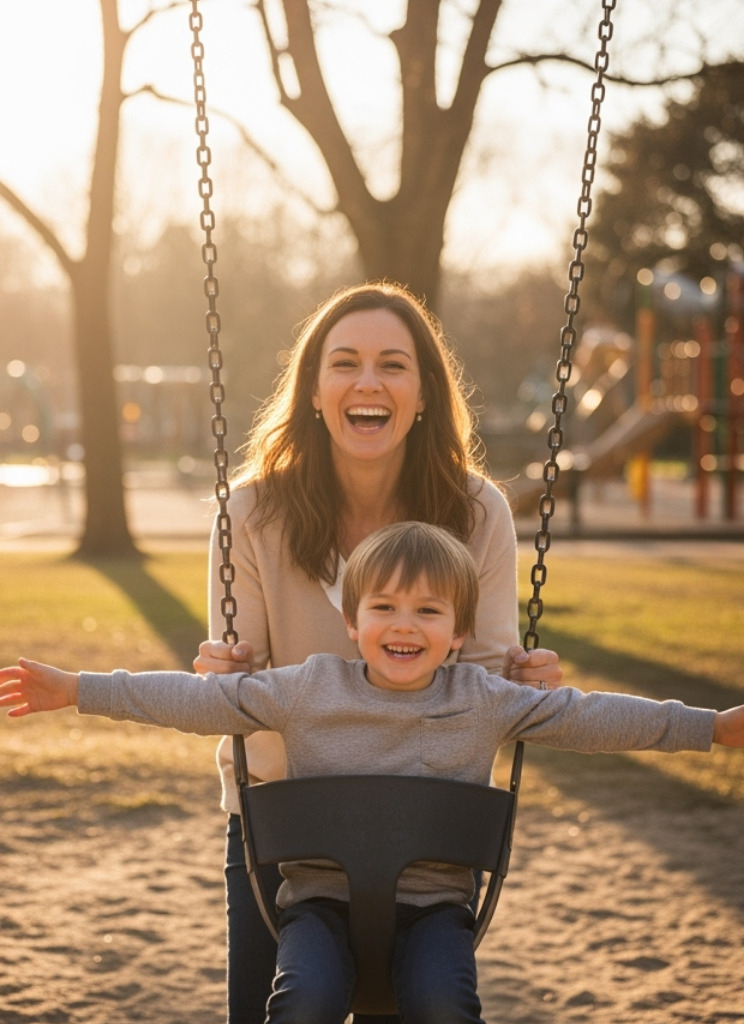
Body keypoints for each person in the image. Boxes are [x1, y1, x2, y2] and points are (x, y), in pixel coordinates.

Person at [0, 521, 744, 1024]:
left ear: (461, 632)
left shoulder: (486, 699)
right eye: (385, 607)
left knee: (442, 1001)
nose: (405, 625)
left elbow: (596, 716)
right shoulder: (305, 688)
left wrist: (714, 729)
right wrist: (79, 690)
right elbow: (199, 701)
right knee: (303, 1001)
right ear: (352, 621)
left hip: (435, 908)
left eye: (430, 612)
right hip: (316, 906)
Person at [192, 281, 563, 1023]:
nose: (368, 382)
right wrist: (223, 673)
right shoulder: (251, 513)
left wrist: (526, 682)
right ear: (315, 391)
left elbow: (484, 675)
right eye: (345, 364)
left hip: (423, 813)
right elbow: (243, 685)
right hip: (281, 820)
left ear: (424, 393)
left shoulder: (474, 509)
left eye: (393, 364)